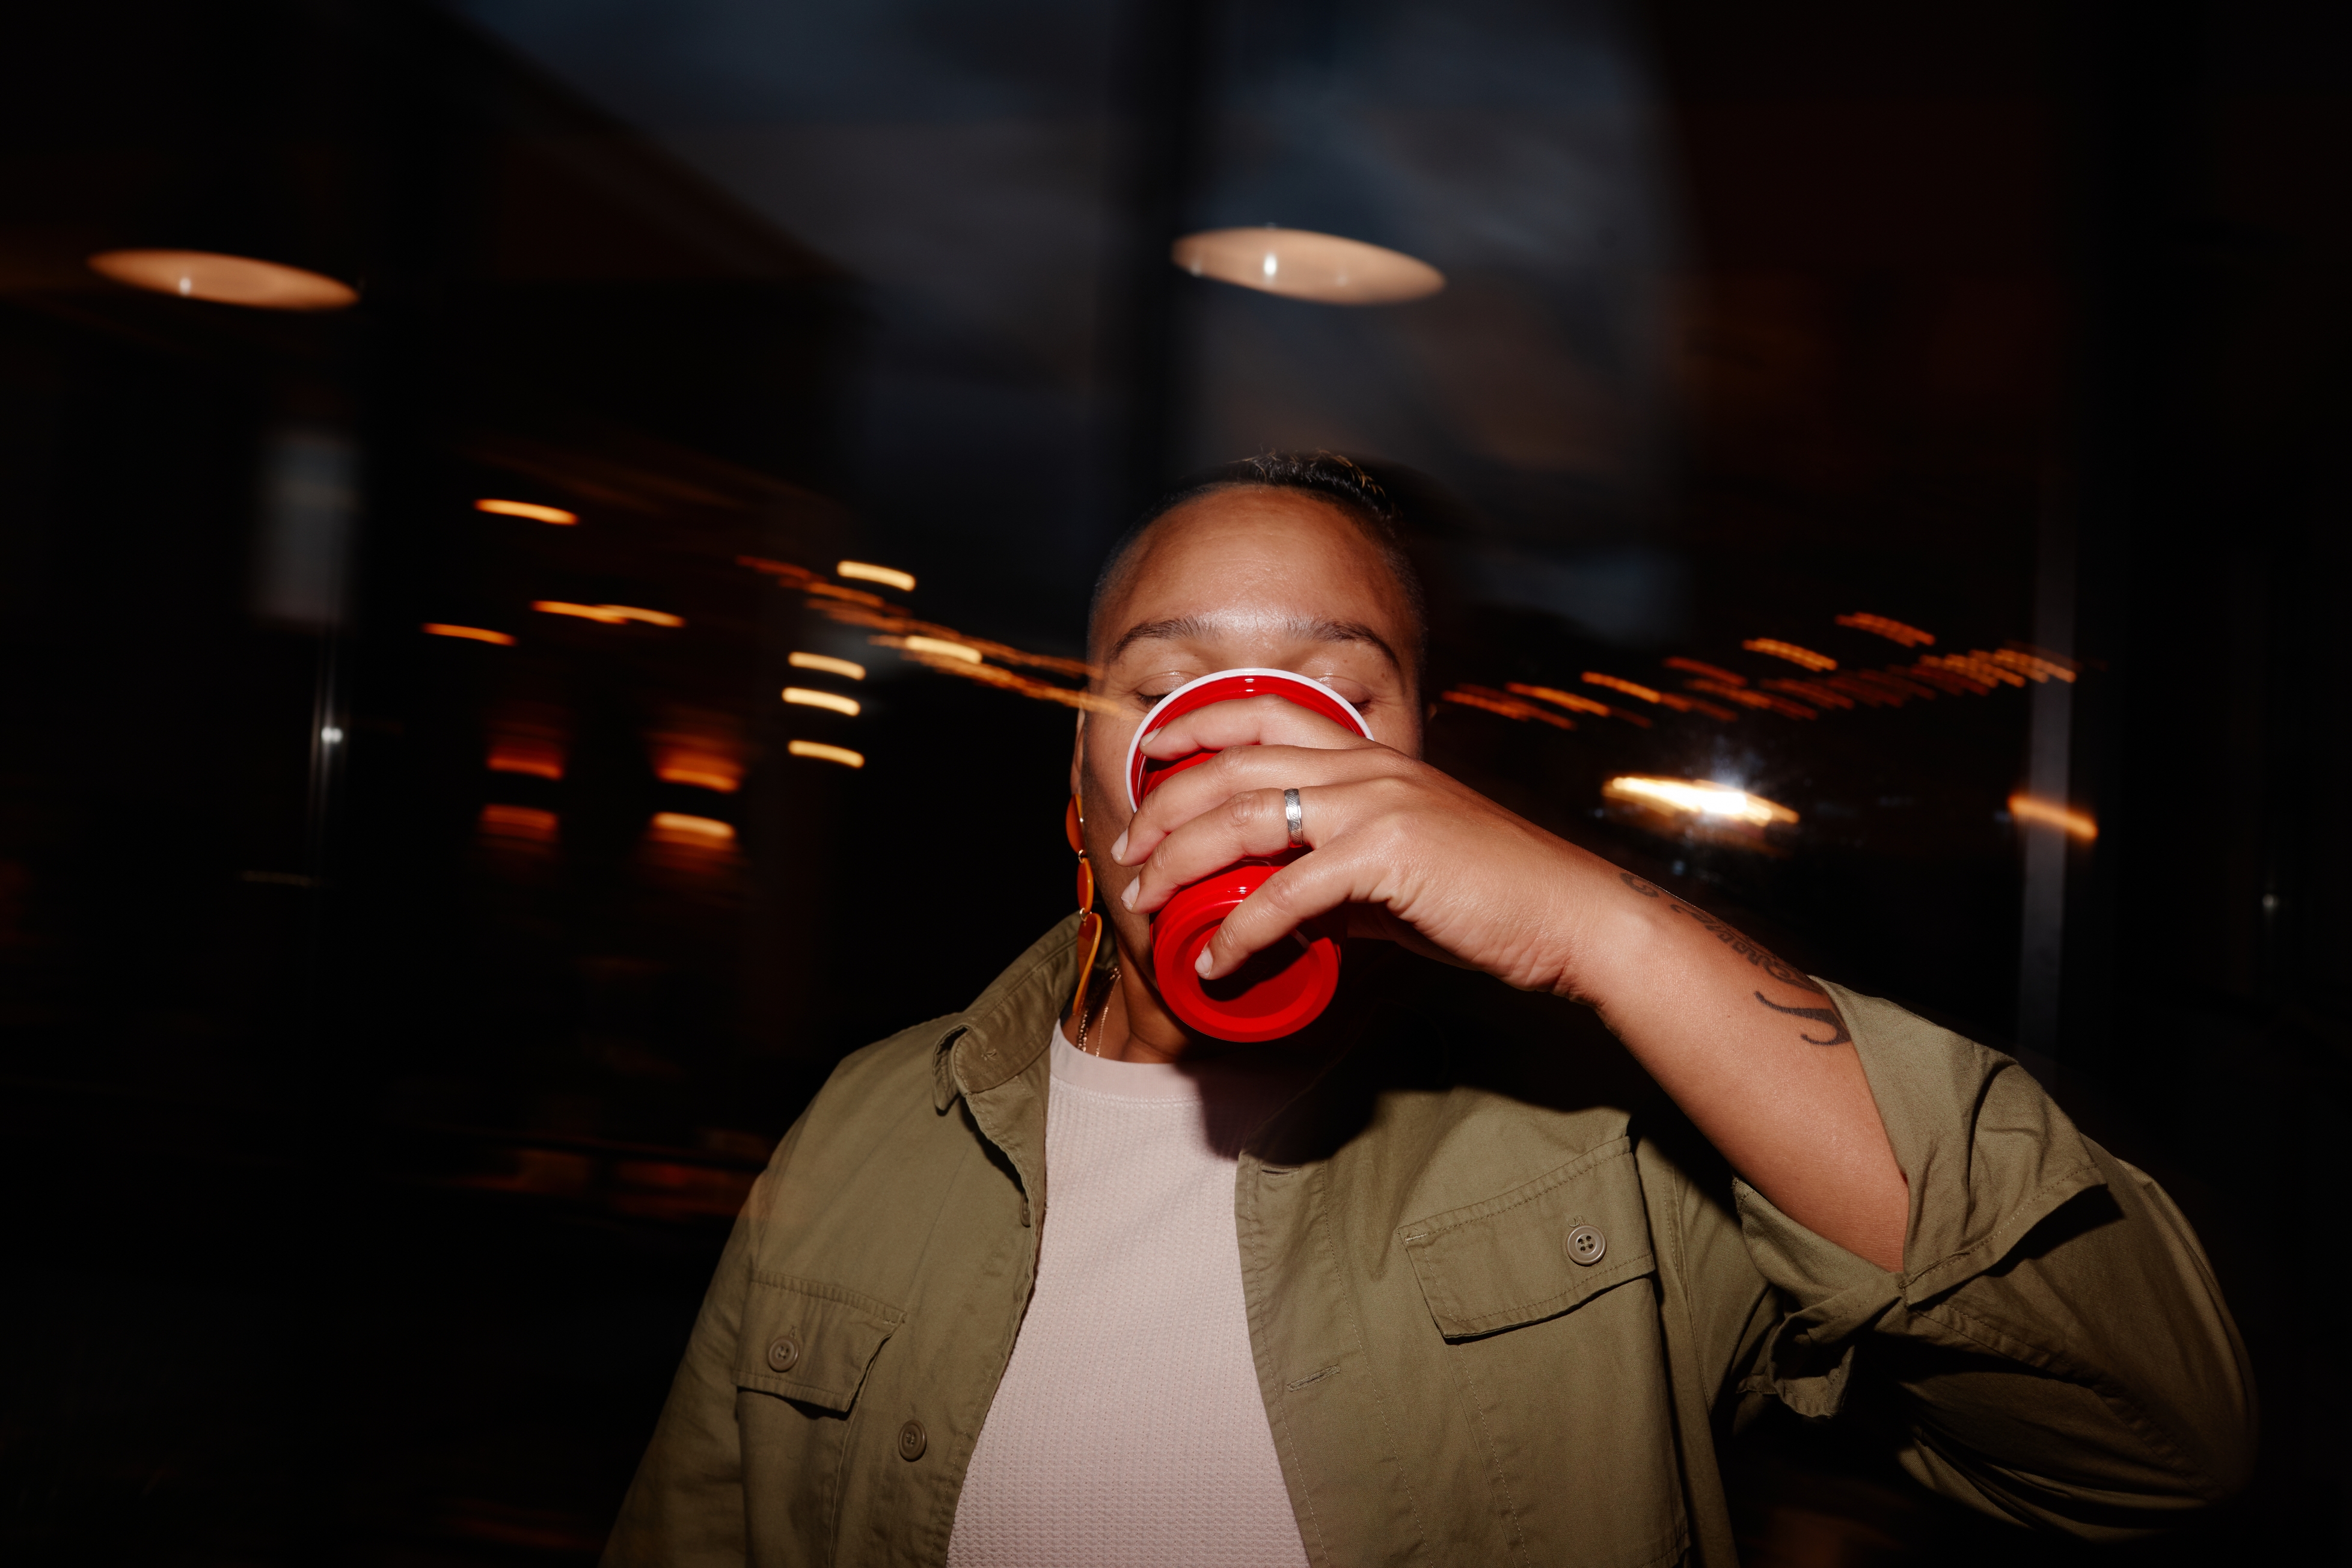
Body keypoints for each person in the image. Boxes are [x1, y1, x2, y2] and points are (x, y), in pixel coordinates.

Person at [604, 453, 2253, 1568]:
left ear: (1421, 769)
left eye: (1332, 690)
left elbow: (2146, 1439)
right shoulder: (869, 1132)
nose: (1243, 746)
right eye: (1162, 684)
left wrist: (1599, 927)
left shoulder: (1614, 1147)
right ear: (1082, 776)